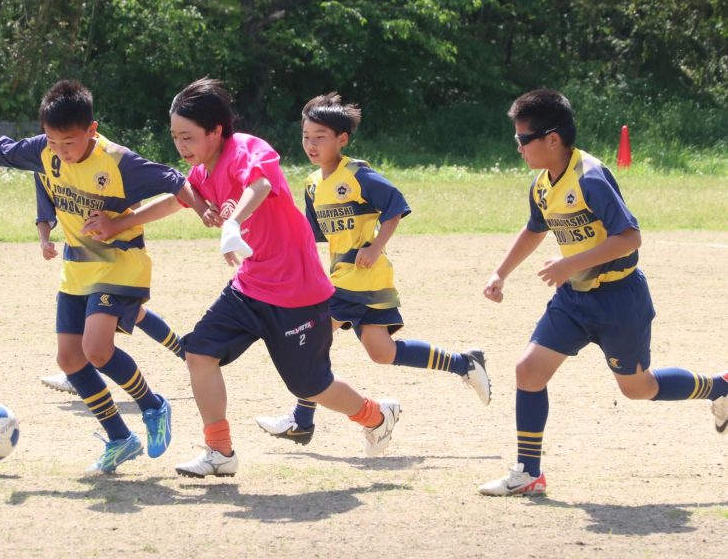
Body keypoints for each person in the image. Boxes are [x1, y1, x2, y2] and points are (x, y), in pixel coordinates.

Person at [82, 78, 401, 478]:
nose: (181, 146)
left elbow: (260, 184)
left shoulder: (246, 149)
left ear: (215, 131)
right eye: (175, 137)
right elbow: (178, 200)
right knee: (199, 353)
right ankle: (220, 451)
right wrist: (118, 224)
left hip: (296, 294)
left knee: (310, 386)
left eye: (188, 137)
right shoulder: (203, 171)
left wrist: (232, 220)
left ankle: (376, 416)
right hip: (248, 288)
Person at [478, 88, 728, 496]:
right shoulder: (542, 185)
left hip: (619, 299)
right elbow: (535, 228)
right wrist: (500, 273)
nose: (518, 147)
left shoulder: (590, 177)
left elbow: (630, 238)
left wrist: (569, 263)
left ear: (552, 139)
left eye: (523, 139)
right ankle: (529, 473)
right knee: (528, 370)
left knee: (638, 388)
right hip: (574, 299)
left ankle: (720, 387)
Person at [0, 79, 205, 474]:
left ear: (92, 130)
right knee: (69, 358)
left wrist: (203, 210)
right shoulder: (44, 150)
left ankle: (153, 406)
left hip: (120, 262)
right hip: (77, 267)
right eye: (52, 141)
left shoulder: (118, 161)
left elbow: (178, 183)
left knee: (96, 349)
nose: (60, 150)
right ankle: (120, 438)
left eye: (69, 142)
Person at [254, 92, 491, 446]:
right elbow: (313, 236)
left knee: (311, 339)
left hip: (362, 277)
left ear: (342, 139)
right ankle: (464, 363)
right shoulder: (312, 185)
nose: (311, 144)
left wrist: (376, 246)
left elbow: (395, 207)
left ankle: (302, 420)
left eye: (320, 137)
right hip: (345, 277)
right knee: (382, 352)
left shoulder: (358, 174)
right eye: (306, 136)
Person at [33, 173, 186, 396]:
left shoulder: (105, 161)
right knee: (129, 313)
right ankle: (185, 352)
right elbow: (45, 213)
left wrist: (119, 224)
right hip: (78, 258)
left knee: (106, 320)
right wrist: (44, 240)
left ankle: (172, 370)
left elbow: (136, 200)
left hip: (114, 255)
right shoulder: (42, 168)